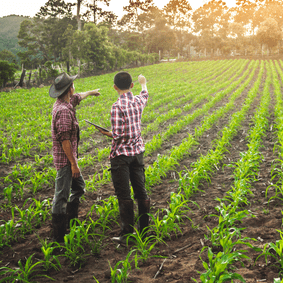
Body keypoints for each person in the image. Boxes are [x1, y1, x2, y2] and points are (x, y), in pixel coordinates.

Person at [96, 71, 150, 243]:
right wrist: (143, 82)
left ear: (114, 87)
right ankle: (145, 231)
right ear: (131, 85)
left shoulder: (117, 106)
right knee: (140, 190)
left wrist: (106, 133)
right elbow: (145, 94)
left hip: (121, 156)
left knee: (124, 194)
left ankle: (127, 234)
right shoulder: (138, 101)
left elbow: (118, 135)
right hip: (137, 153)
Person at [49, 72, 100, 242]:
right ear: (69, 89)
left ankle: (72, 222)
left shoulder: (66, 101)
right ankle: (59, 238)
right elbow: (65, 142)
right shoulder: (63, 111)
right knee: (61, 196)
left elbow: (79, 97)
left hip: (69, 160)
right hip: (66, 161)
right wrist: (73, 164)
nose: (75, 88)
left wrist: (92, 92)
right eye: (73, 85)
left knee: (78, 188)